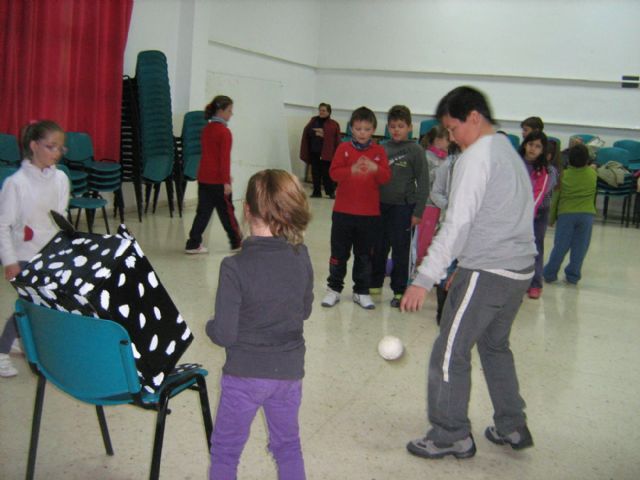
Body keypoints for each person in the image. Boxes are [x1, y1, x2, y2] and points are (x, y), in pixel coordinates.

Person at [401, 86, 537, 459]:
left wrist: (422, 278)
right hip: (518, 270)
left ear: (473, 118)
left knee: (448, 352)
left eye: (453, 128)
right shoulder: (507, 150)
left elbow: (457, 224)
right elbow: (520, 213)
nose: (450, 137)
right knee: (494, 346)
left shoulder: (475, 157)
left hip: (489, 271)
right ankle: (512, 426)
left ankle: (449, 434)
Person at [206, 169, 313, 480]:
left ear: (246, 209)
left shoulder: (234, 267)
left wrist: (209, 326)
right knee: (288, 446)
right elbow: (304, 311)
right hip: (288, 373)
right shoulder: (301, 255)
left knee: (226, 451)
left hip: (243, 376)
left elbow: (225, 334)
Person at [0, 120, 70, 377]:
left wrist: (66, 250)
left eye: (61, 148)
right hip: (23, 255)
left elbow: (61, 217)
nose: (56, 153)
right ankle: (1, 351)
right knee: (30, 303)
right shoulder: (16, 183)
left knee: (47, 304)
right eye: (51, 146)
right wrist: (10, 261)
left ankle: (26, 341)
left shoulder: (61, 179)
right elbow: (3, 226)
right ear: (33, 146)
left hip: (50, 255)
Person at [321, 106, 391, 310]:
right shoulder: (343, 149)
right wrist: (350, 169)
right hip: (343, 212)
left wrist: (375, 168)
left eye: (367, 129)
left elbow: (386, 177)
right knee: (338, 254)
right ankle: (333, 289)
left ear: (374, 130)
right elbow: (333, 174)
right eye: (358, 128)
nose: (362, 133)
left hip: (369, 216)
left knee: (364, 256)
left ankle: (361, 291)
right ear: (351, 128)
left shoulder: (379, 152)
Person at [370, 105, 429, 308]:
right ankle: (374, 283)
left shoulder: (416, 150)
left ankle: (398, 289)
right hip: (379, 207)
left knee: (400, 251)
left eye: (401, 126)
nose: (396, 130)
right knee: (378, 247)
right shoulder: (382, 148)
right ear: (388, 127)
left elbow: (423, 183)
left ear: (410, 128)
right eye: (393, 126)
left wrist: (418, 211)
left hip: (403, 209)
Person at [185, 95, 243, 254]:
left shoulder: (206, 130)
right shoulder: (224, 132)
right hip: (218, 181)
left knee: (202, 212)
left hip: (204, 178)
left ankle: (193, 243)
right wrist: (226, 181)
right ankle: (237, 242)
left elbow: (209, 156)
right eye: (230, 110)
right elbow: (223, 159)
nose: (232, 114)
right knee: (227, 213)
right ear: (221, 111)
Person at [543, 143, 597, 285]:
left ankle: (549, 273)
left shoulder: (564, 176)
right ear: (587, 160)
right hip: (587, 215)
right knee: (580, 248)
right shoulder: (593, 174)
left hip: (566, 214)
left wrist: (551, 218)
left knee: (560, 246)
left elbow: (555, 199)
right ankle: (573, 276)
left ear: (569, 159)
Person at [519, 131, 558, 299]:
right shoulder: (516, 163)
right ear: (524, 144)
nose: (532, 149)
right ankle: (516, 282)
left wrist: (526, 214)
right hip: (515, 213)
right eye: (530, 144)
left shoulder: (547, 170)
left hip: (538, 214)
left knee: (535, 248)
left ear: (543, 150)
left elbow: (539, 194)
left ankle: (535, 283)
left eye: (537, 147)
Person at [416, 125, 451, 262]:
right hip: (428, 205)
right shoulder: (426, 156)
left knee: (434, 239)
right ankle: (417, 267)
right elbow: (425, 181)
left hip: (440, 205)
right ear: (438, 140)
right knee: (423, 239)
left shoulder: (447, 158)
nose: (451, 142)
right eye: (447, 139)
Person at [299, 103, 341, 199]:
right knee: (315, 172)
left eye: (324, 110)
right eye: (320, 110)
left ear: (329, 112)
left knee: (327, 173)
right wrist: (314, 132)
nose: (321, 112)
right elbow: (307, 132)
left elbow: (336, 139)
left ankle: (330, 192)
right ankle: (316, 192)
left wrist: (324, 135)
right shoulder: (314, 120)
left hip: (326, 153)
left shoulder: (333, 124)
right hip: (315, 151)